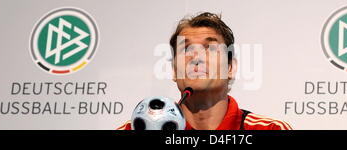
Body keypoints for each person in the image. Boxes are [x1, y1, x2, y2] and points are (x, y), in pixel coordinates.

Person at [118, 12, 292, 130]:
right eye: (186, 49)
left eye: (210, 48)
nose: (196, 57)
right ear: (173, 71)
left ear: (230, 68)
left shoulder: (270, 129)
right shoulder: (136, 128)